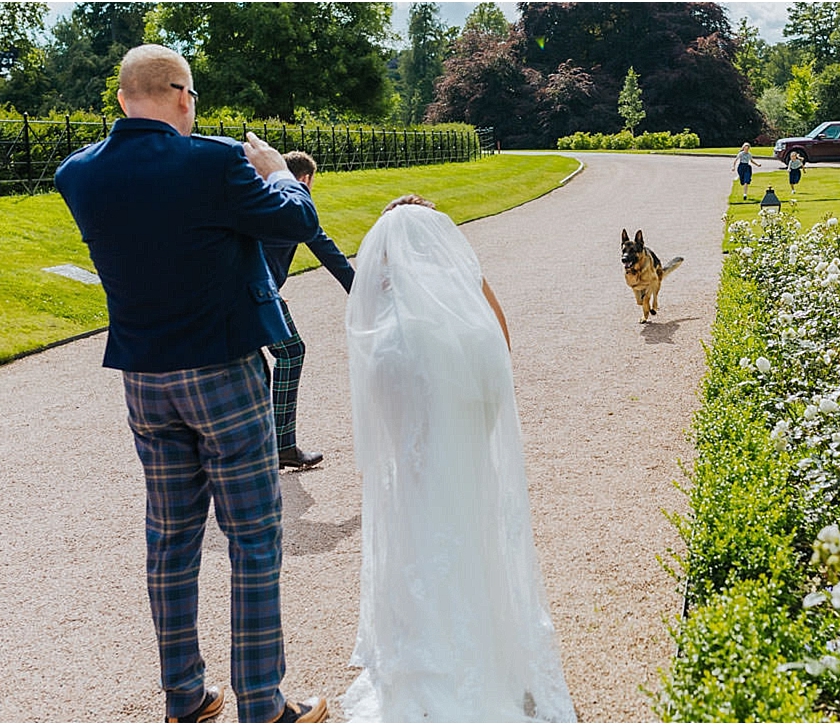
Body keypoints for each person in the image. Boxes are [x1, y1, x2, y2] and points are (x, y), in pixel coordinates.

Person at [55, 44, 328, 724]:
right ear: (183, 95)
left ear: (124, 99)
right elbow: (297, 220)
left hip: (144, 378)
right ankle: (262, 703)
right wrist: (278, 172)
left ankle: (186, 696)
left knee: (171, 540)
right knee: (253, 539)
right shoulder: (214, 161)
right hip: (222, 370)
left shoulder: (77, 174)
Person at [341, 195, 576, 722]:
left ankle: (426, 658)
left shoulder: (386, 337)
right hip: (467, 458)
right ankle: (489, 653)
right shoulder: (467, 315)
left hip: (416, 474)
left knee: (421, 547)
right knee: (474, 542)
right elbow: (500, 357)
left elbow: (386, 426)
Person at [263, 151, 355, 470]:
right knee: (291, 352)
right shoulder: (293, 203)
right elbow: (325, 248)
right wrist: (360, 292)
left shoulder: (260, 193)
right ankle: (282, 446)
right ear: (305, 179)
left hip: (239, 289)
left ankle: (259, 447)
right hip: (254, 292)